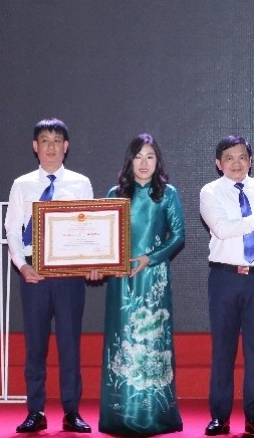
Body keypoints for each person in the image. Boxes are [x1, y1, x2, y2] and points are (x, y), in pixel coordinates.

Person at [5, 118, 94, 433]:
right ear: (35, 146)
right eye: (45, 140)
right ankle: (36, 411)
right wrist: (21, 265)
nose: (51, 147)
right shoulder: (22, 184)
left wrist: (94, 261)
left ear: (66, 146)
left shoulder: (81, 183)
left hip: (70, 277)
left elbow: (91, 229)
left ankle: (71, 412)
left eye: (57, 140)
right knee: (36, 347)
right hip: (34, 275)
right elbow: (13, 228)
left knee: (70, 345)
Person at [98, 134, 185, 434]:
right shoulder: (115, 193)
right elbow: (103, 240)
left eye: (150, 156)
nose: (144, 162)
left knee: (152, 341)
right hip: (121, 281)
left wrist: (151, 258)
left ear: (158, 160)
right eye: (138, 156)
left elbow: (178, 237)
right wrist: (106, 263)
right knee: (121, 340)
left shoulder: (168, 194)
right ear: (129, 161)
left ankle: (155, 416)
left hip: (154, 278)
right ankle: (119, 414)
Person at [199, 135, 254, 437]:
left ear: (251, 160)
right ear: (218, 163)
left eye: (242, 157)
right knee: (222, 350)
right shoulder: (210, 192)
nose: (237, 164)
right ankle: (219, 417)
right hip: (224, 278)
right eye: (229, 158)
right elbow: (221, 230)